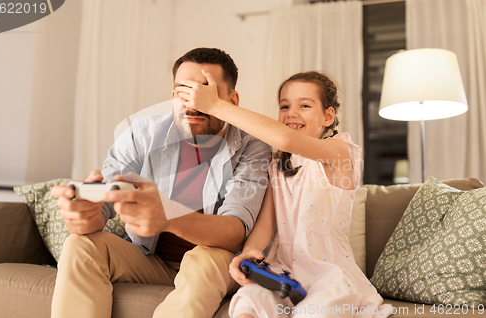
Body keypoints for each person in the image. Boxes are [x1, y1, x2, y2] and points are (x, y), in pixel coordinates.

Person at [50, 47, 272, 318]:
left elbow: (236, 230)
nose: (193, 103)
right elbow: (101, 211)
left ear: (232, 101)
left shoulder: (253, 147)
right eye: (184, 91)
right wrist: (84, 216)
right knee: (80, 244)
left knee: (204, 258)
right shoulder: (143, 134)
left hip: (215, 263)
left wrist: (169, 217)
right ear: (173, 96)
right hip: (150, 259)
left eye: (207, 92)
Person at [176, 71, 392, 317]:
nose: (291, 113)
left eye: (305, 105)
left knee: (317, 310)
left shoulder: (341, 153)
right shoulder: (278, 166)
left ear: (328, 116)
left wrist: (215, 105)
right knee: (249, 301)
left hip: (328, 271)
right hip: (283, 271)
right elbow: (266, 225)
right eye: (284, 106)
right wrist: (248, 255)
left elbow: (285, 140)